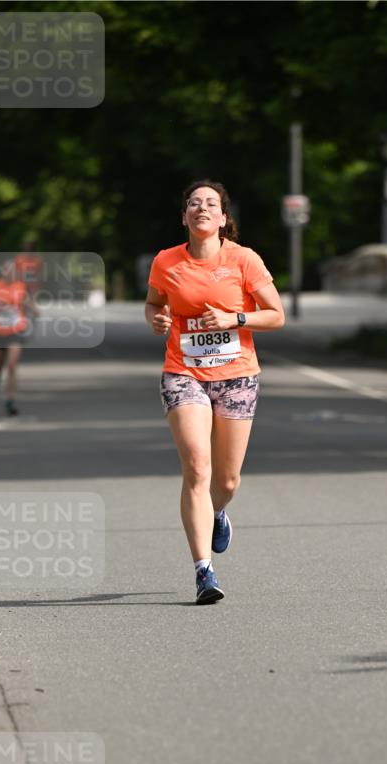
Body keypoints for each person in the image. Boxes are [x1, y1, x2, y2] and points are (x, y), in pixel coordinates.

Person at [145, 180, 285, 604]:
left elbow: (275, 315)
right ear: (184, 216)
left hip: (237, 375)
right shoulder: (167, 262)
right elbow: (155, 303)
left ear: (224, 218)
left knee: (226, 480)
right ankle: (204, 571)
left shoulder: (243, 260)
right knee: (197, 468)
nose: (201, 208)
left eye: (211, 204)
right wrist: (156, 319)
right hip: (183, 372)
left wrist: (233, 318)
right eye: (193, 203)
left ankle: (218, 511)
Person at [0, 258, 37, 416]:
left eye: (12, 270)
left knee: (12, 365)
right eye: (7, 270)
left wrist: (34, 310)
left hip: (16, 329)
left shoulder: (20, 286)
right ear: (2, 272)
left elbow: (26, 302)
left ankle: (10, 400)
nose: (10, 273)